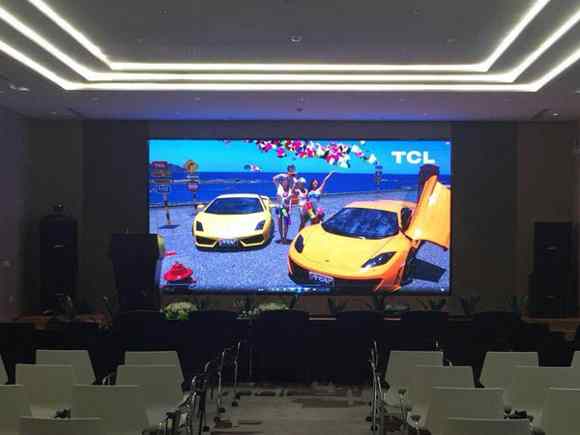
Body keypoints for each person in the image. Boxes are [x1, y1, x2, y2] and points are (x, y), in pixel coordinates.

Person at [273, 175, 293, 243]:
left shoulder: (290, 189)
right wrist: (282, 175)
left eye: (286, 181)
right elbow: (274, 178)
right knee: (280, 223)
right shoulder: (279, 187)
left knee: (286, 223)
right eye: (284, 180)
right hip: (279, 208)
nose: (285, 182)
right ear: (281, 182)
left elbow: (290, 201)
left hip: (285, 209)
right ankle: (281, 238)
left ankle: (285, 238)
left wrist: (290, 210)